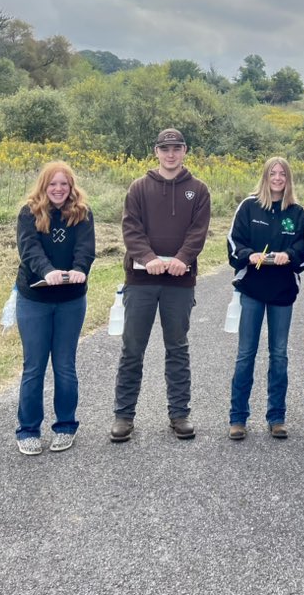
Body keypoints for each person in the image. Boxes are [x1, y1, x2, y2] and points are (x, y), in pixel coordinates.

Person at [111, 128, 210, 443]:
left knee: (177, 349)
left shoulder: (199, 189)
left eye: (176, 148)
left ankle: (179, 415)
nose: (171, 154)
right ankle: (124, 416)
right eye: (165, 148)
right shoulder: (139, 188)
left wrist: (183, 258)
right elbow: (131, 228)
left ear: (184, 151)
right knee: (132, 350)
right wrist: (148, 257)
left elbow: (198, 232)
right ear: (156, 151)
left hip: (180, 282)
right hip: (141, 281)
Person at [14, 161, 95, 455]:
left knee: (64, 364)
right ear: (43, 186)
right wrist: (47, 270)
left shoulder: (83, 213)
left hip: (71, 300)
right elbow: (29, 249)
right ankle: (28, 430)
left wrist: (79, 268)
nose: (58, 189)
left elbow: (85, 248)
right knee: (34, 366)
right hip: (34, 299)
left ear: (71, 187)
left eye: (64, 184)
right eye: (53, 184)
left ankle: (65, 426)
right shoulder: (29, 212)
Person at [226, 156, 304, 440]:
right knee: (246, 354)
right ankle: (238, 418)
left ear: (288, 179)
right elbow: (235, 243)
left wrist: (291, 255)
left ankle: (277, 417)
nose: (277, 178)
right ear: (265, 176)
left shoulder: (297, 212)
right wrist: (250, 256)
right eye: (272, 173)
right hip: (252, 289)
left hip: (282, 292)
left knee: (280, 355)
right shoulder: (249, 206)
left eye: (282, 174)